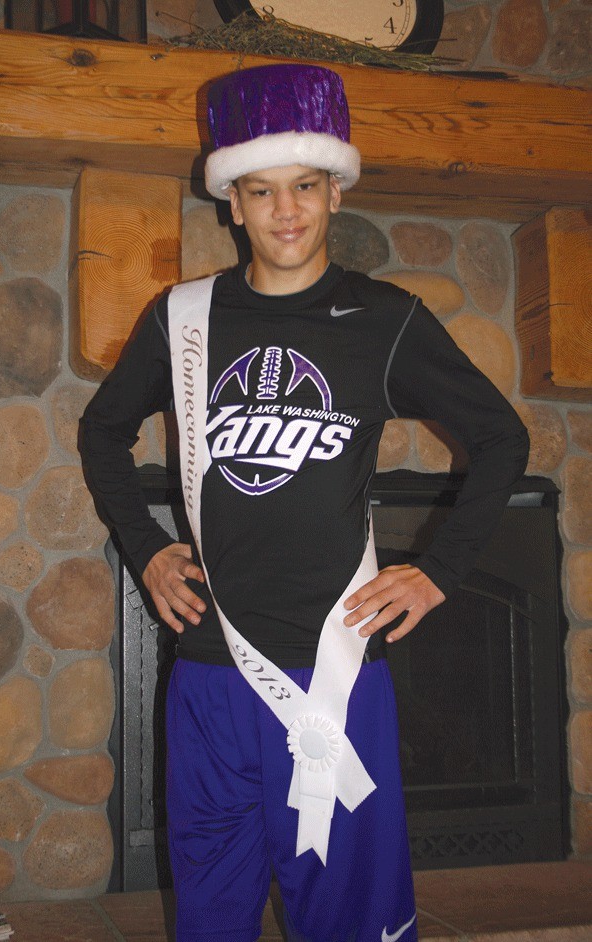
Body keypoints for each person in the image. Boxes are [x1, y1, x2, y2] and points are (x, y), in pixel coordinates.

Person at [79, 63, 529, 942]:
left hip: (334, 678)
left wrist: (437, 573)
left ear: (334, 192)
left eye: (307, 187)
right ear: (232, 203)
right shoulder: (184, 319)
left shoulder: (384, 318)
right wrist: (144, 546)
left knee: (347, 920)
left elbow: (503, 439)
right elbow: (102, 432)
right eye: (262, 190)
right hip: (210, 675)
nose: (287, 211)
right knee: (211, 912)